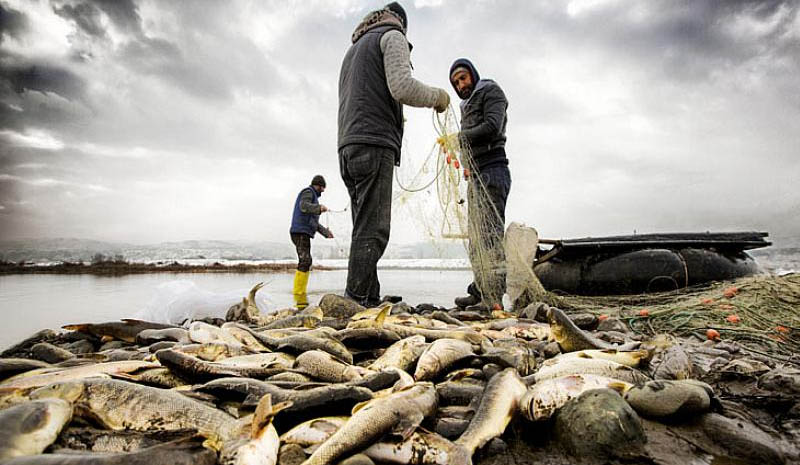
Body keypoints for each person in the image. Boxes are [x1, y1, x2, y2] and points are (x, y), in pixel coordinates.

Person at [338, 2, 450, 307]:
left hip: (347, 146)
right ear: (402, 22)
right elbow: (402, 87)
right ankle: (355, 301)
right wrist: (438, 97)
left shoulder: (354, 50)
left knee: (363, 225)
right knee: (374, 228)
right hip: (373, 142)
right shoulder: (392, 35)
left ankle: (369, 295)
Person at [447, 58, 511, 310]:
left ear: (472, 74)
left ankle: (493, 297)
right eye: (456, 83)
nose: (461, 85)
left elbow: (492, 127)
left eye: (463, 78)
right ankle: (480, 290)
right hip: (476, 175)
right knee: (476, 238)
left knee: (490, 236)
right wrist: (465, 163)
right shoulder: (466, 103)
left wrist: (459, 138)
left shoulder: (491, 91)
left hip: (493, 171)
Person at [290, 175, 334, 309]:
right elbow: (303, 206)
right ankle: (298, 294)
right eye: (322, 187)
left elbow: (314, 223)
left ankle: (300, 293)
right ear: (317, 185)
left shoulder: (313, 198)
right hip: (300, 232)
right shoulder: (308, 192)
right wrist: (319, 208)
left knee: (306, 261)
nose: (323, 190)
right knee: (305, 261)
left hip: (303, 232)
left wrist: (326, 233)